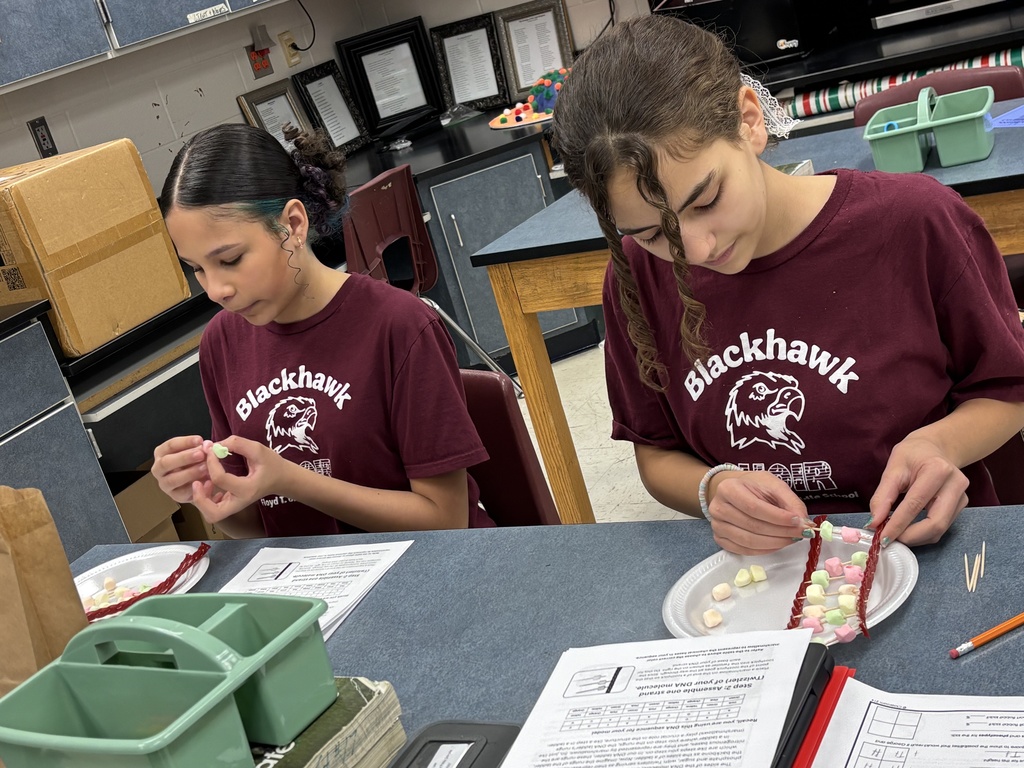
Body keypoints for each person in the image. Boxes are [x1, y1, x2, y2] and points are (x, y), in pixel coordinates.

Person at [551, 15, 1024, 555]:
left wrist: (939, 443)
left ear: (749, 121)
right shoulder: (634, 277)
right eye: (654, 233)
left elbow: (1008, 388)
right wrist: (714, 488)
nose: (699, 250)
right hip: (764, 576)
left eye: (706, 201)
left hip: (930, 549)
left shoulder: (913, 222)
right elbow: (655, 452)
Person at [151, 123, 492, 538]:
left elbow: (446, 520)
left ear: (293, 224)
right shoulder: (222, 342)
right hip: (317, 585)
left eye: (232, 259)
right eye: (197, 269)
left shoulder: (399, 326)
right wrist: (203, 491)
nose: (216, 290)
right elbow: (254, 527)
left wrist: (290, 479)